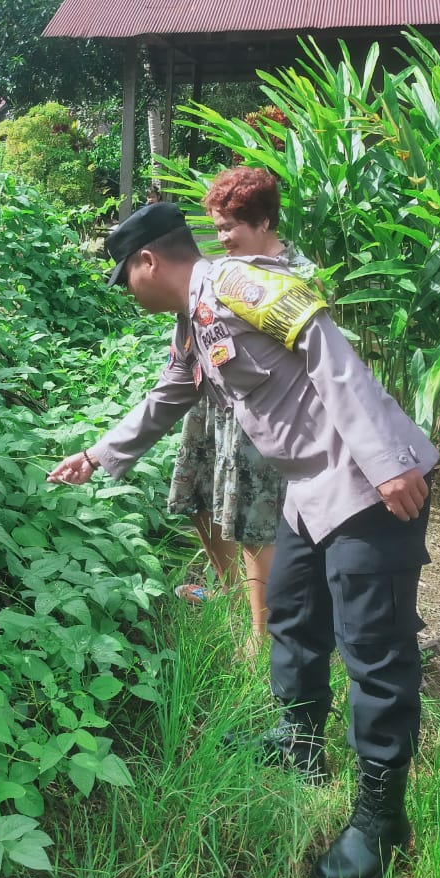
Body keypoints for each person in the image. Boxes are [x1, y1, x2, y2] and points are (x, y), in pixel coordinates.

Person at [48, 195, 437, 878]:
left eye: (123, 276)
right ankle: (299, 747)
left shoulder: (234, 283)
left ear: (146, 262)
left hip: (368, 486)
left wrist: (386, 461)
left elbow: (327, 347)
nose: (125, 290)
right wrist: (99, 455)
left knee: (374, 656)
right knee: (291, 615)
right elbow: (171, 394)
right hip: (311, 491)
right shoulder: (192, 320)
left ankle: (380, 822)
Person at [167, 169, 317, 659]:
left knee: (253, 519)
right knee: (201, 499)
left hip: (260, 414)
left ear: (266, 220)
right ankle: (230, 598)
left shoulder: (295, 274)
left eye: (231, 226)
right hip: (212, 402)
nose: (222, 237)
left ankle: (259, 635)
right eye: (217, 227)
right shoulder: (224, 271)